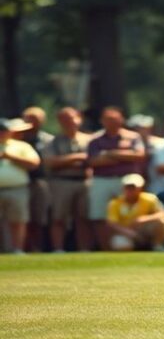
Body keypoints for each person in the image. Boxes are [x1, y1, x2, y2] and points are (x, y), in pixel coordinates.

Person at [86, 106, 146, 250]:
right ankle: (105, 248)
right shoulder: (95, 139)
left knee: (127, 215)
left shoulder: (133, 137)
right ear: (102, 121)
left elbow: (139, 156)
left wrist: (109, 154)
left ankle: (130, 245)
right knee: (99, 216)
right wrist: (124, 155)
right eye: (108, 119)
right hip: (102, 180)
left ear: (121, 119)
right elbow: (93, 161)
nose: (112, 122)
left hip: (126, 180)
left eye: (115, 119)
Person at [43, 107, 92, 252]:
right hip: (61, 182)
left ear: (79, 118)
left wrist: (65, 161)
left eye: (72, 118)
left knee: (83, 218)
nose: (69, 122)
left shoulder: (89, 140)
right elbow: (51, 162)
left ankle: (84, 249)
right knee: (59, 217)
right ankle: (58, 249)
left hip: (84, 181)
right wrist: (77, 157)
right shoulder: (52, 141)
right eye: (64, 119)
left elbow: (94, 160)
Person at [0, 119, 41, 253]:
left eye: (4, 130)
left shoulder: (21, 146)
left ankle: (17, 249)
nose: (2, 133)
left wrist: (10, 157)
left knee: (18, 220)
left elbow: (34, 163)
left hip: (17, 188)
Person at [106, 173, 164, 251]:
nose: (130, 190)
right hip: (125, 231)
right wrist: (129, 233)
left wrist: (144, 219)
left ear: (140, 188)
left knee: (163, 221)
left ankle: (157, 246)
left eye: (133, 187)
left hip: (144, 229)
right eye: (128, 187)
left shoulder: (149, 198)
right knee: (121, 245)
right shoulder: (115, 203)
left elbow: (163, 213)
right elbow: (112, 223)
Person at [21, 106, 54, 252]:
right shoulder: (17, 138)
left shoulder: (48, 140)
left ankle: (38, 247)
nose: (32, 123)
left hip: (41, 181)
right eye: (29, 119)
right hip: (21, 182)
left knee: (40, 218)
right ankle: (22, 247)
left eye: (36, 120)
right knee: (22, 218)